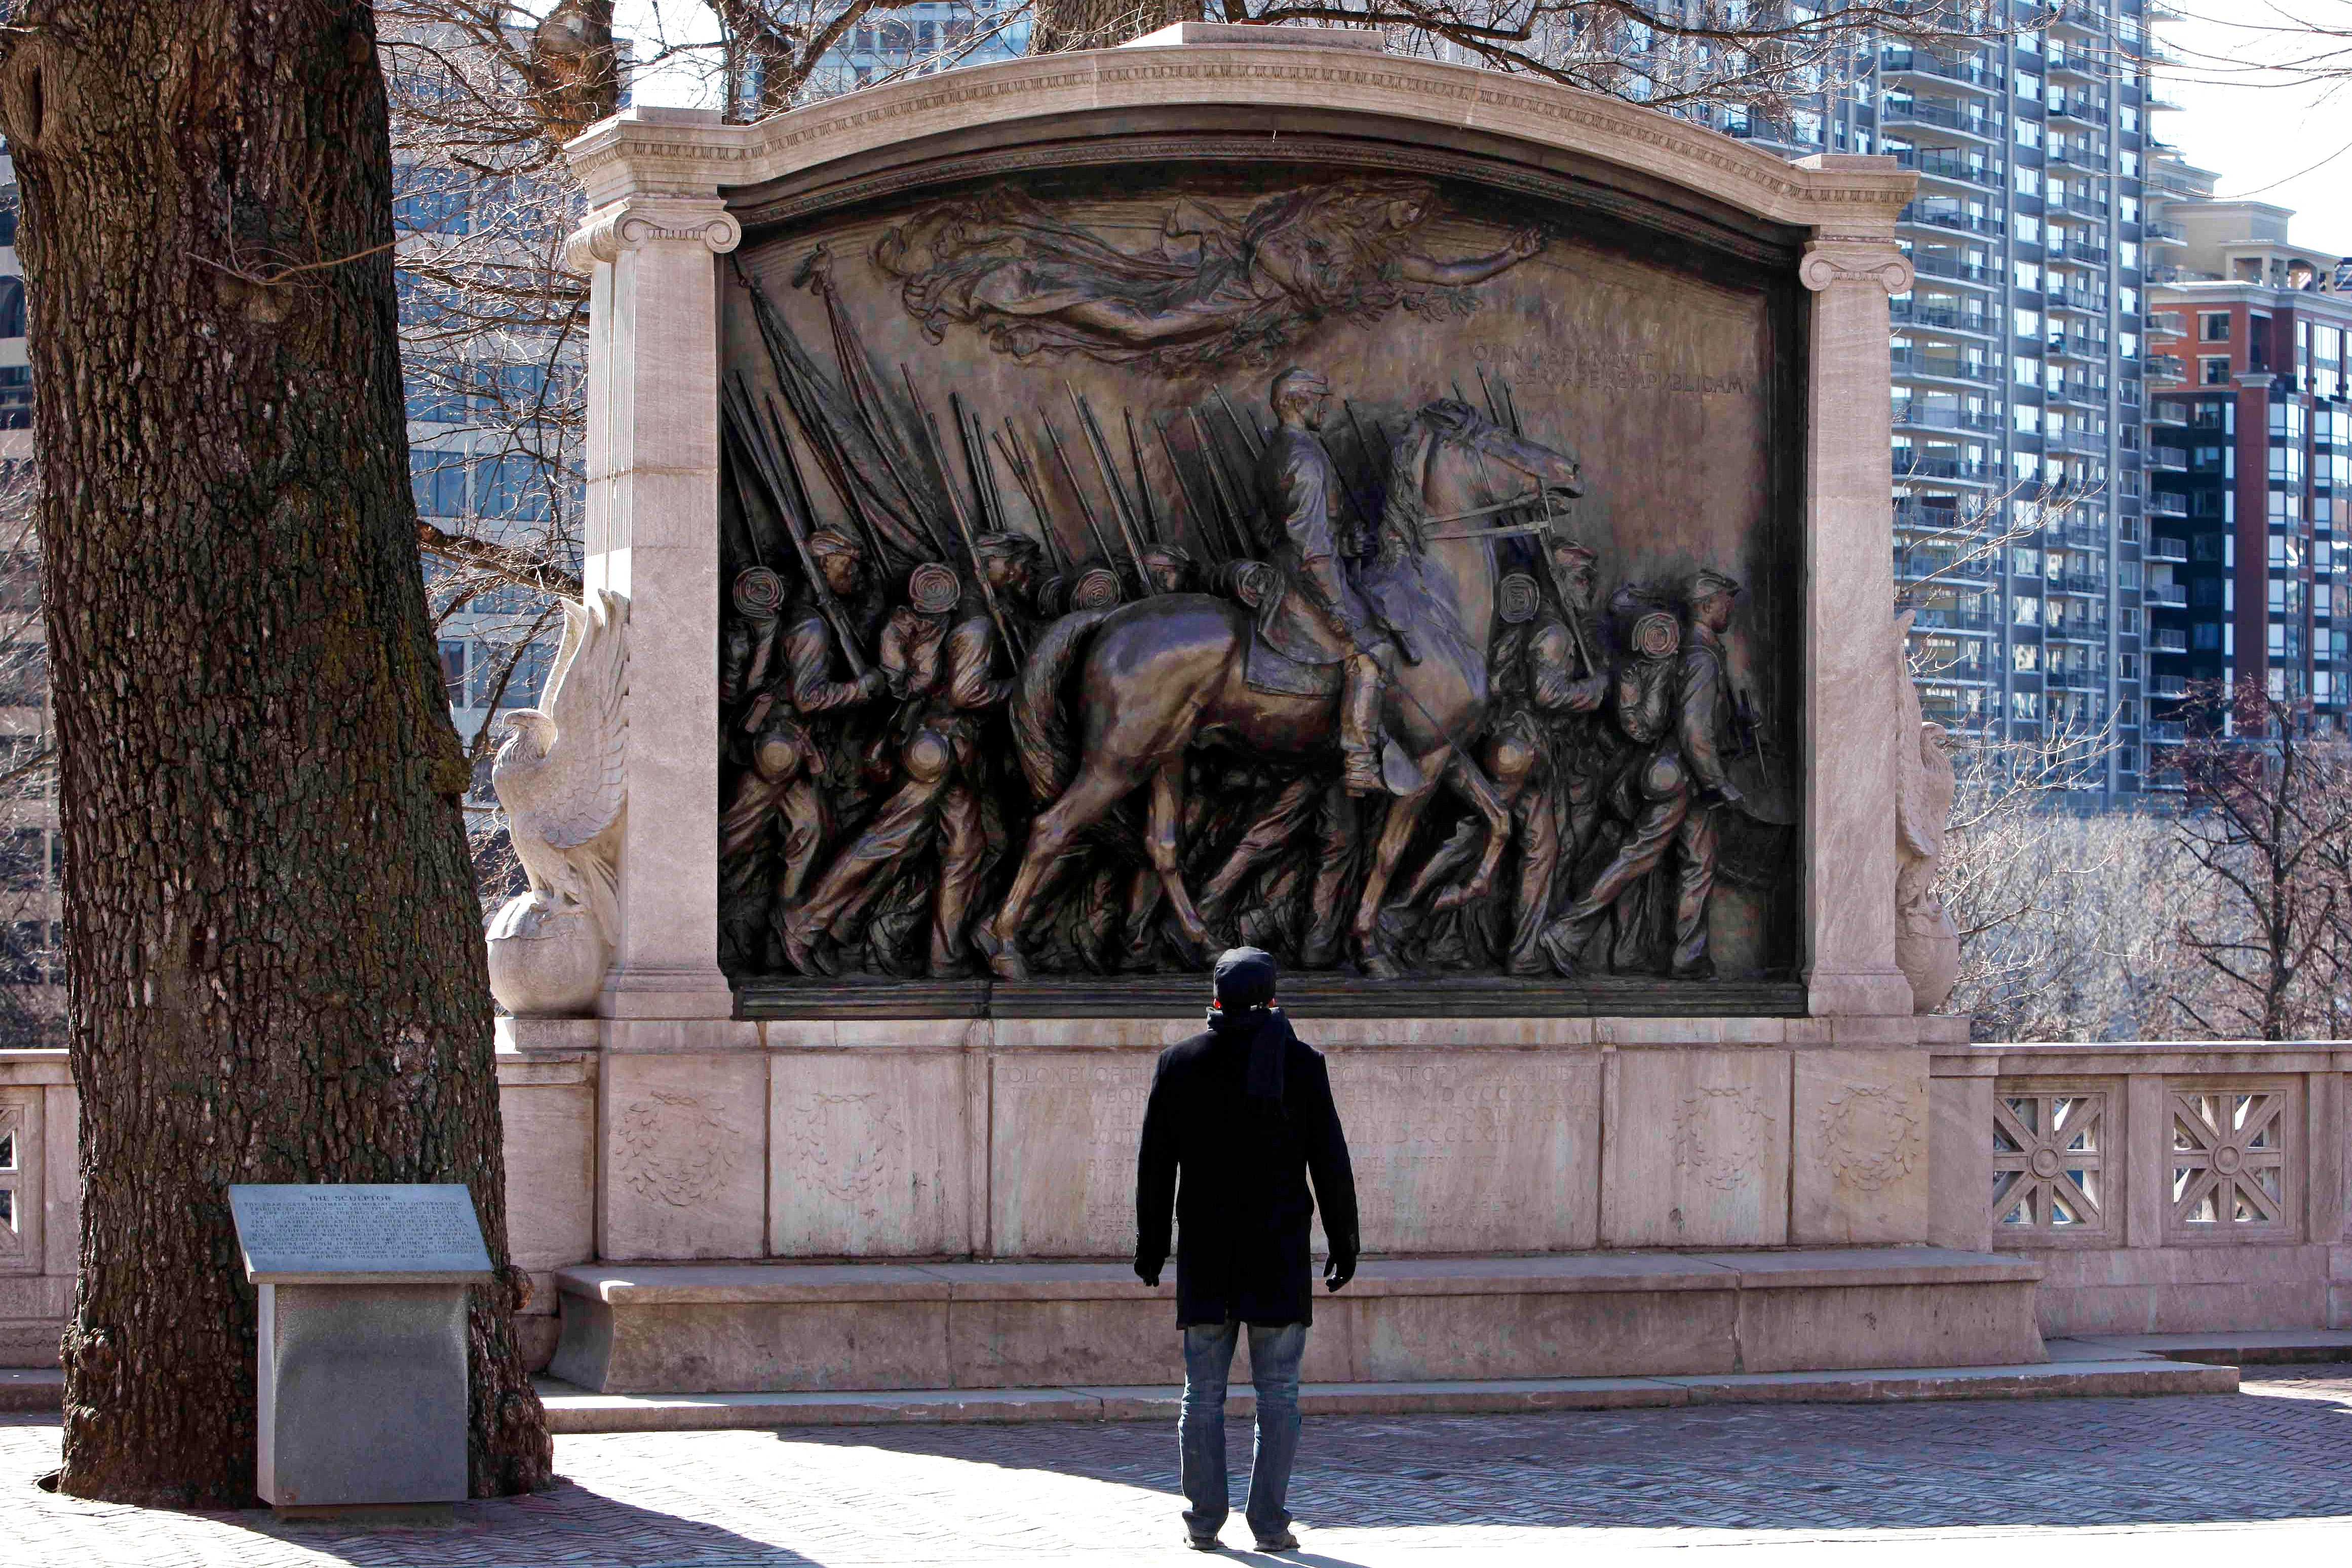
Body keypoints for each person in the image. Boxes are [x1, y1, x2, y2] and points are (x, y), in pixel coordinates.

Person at [1136, 948, 1359, 1554]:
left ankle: (1203, 1523)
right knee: (1278, 1394)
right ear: (1272, 998)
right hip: (1278, 1255)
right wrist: (1345, 1243)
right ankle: (1269, 1526)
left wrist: (1150, 1248)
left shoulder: (1178, 1063)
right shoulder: (1301, 1064)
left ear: (1215, 999)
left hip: (1207, 1256)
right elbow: (1330, 1165)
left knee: (1201, 1393)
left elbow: (1155, 1170)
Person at [1257, 366, 1393, 795]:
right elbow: (1311, 550)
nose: (1323, 408)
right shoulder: (1306, 458)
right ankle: (1358, 761)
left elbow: (1270, 527)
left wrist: (1342, 544)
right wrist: (1338, 610)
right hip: (1305, 583)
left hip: (1288, 565)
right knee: (1371, 650)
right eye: (1319, 400)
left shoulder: (1276, 451)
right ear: (1298, 402)